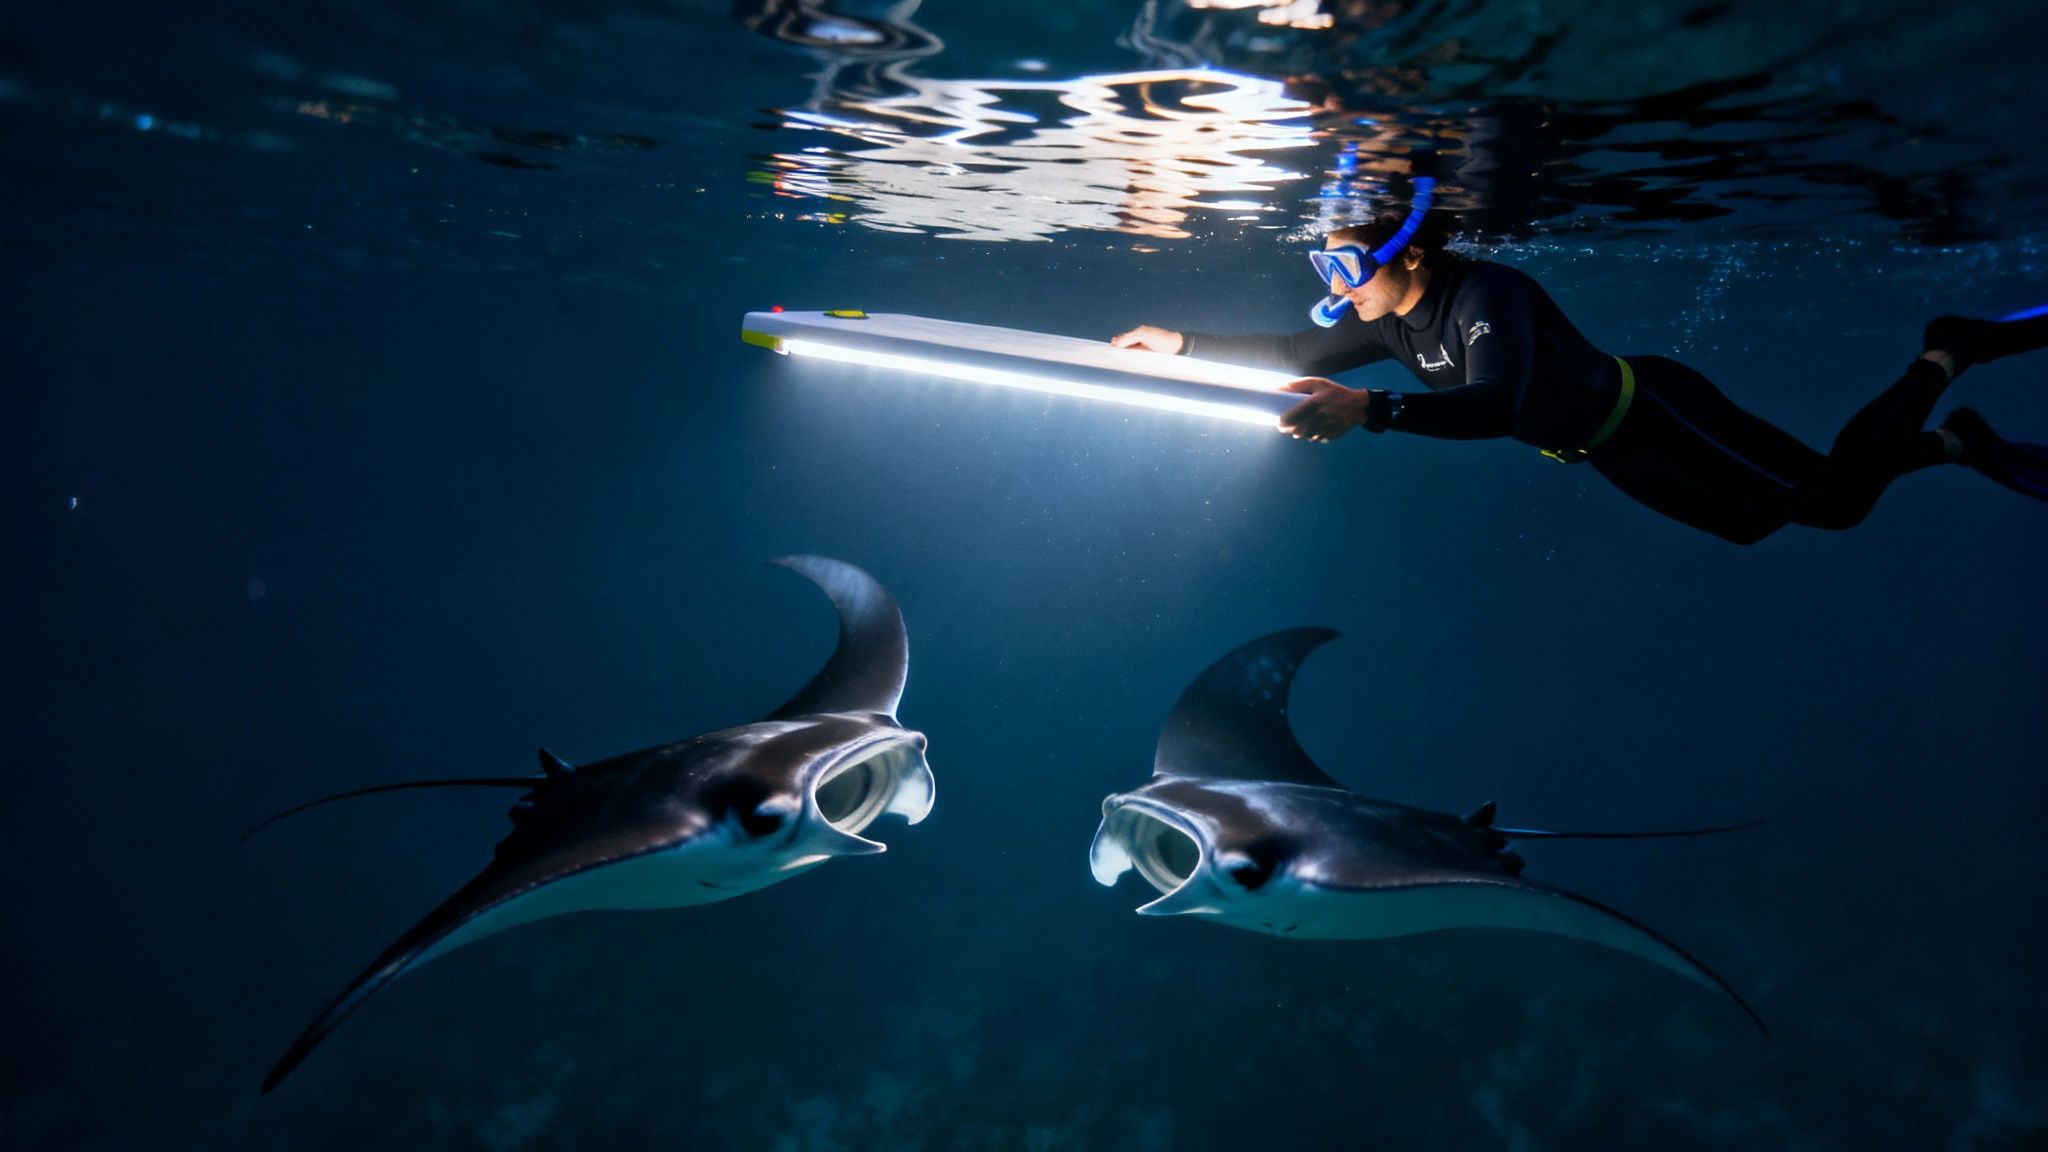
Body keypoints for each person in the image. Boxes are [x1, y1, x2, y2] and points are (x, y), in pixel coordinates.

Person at [1111, 209, 2048, 544]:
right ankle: (1954, 439)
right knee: (1763, 521)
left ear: (1414, 251)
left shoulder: (1488, 294)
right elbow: (1292, 354)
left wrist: (1371, 412)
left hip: (1656, 412)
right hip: (1603, 449)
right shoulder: (1386, 324)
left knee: (1831, 504)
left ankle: (1945, 355)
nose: (1336, 286)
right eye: (1326, 269)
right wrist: (1180, 343)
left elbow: (1495, 405)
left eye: (1349, 265)